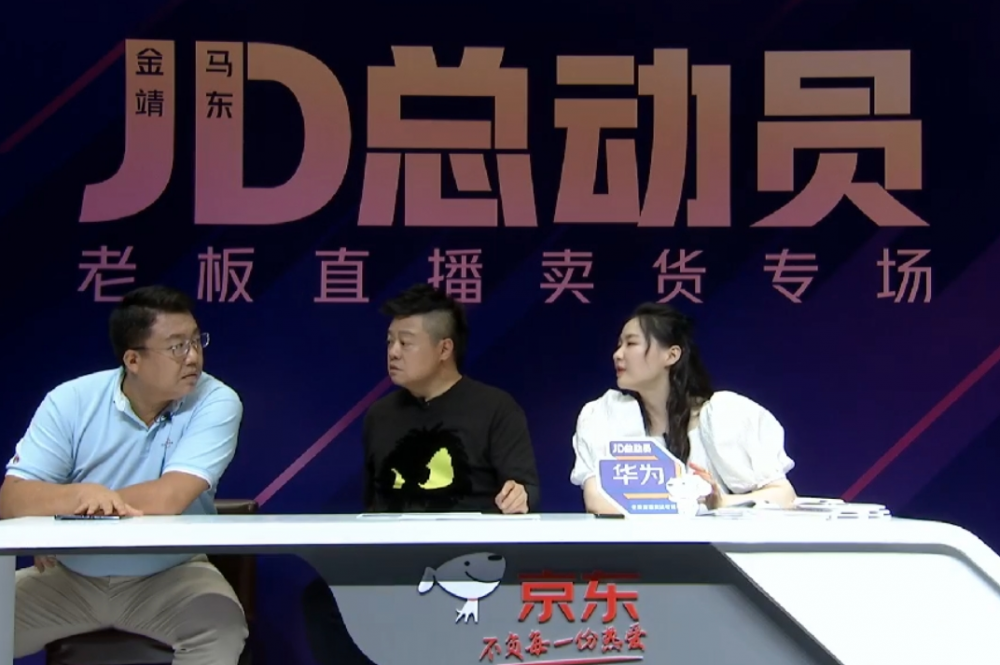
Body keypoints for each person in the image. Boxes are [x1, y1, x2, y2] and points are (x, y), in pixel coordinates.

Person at [0, 285, 247, 665]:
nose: (193, 357)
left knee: (221, 630)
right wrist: (79, 497)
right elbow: (12, 499)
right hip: (69, 577)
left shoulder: (216, 401)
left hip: (171, 575)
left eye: (197, 341)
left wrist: (72, 512)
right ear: (133, 359)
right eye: (177, 347)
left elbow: (169, 498)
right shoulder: (71, 400)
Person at [300, 283, 540, 664]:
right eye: (389, 341)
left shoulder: (496, 408)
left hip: (467, 562)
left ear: (444, 349)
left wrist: (519, 494)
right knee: (322, 599)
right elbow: (373, 502)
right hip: (393, 562)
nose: (393, 352)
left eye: (406, 342)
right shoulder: (380, 416)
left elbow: (525, 487)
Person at [570, 302, 796, 513]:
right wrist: (687, 505)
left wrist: (720, 502)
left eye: (631, 343)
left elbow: (783, 495)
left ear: (671, 355)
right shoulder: (606, 416)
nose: (618, 354)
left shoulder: (724, 415)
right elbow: (596, 499)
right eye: (619, 345)